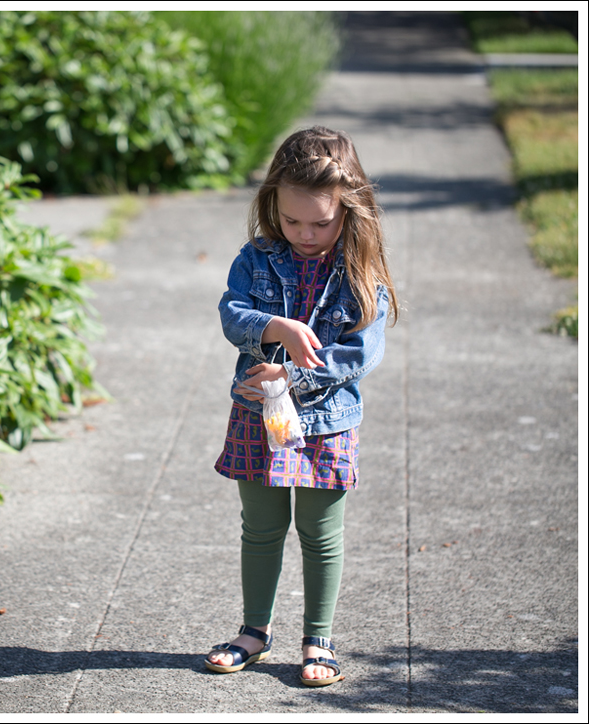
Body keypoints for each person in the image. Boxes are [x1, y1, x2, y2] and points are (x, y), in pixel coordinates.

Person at [206, 126, 398, 686]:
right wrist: (275, 325)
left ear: (351, 210)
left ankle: (318, 639)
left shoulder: (363, 273)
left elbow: (359, 354)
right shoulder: (257, 257)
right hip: (258, 417)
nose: (305, 234)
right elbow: (230, 311)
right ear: (273, 206)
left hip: (326, 422)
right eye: (292, 221)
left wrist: (287, 371)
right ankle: (253, 632)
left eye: (321, 222)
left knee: (320, 532)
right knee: (260, 528)